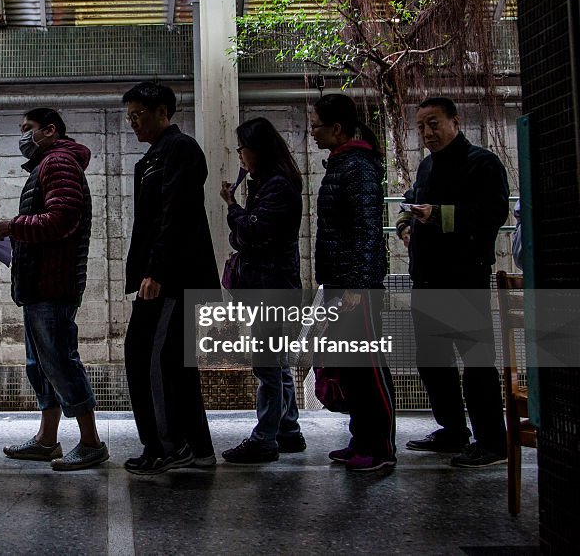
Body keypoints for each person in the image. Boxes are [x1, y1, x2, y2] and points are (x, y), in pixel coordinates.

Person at [0, 108, 108, 471]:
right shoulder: (48, 164)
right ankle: (47, 439)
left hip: (53, 283)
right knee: (40, 364)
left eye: (28, 129)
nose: (23, 137)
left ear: (51, 130)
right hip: (39, 283)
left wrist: (14, 226)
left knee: (60, 362)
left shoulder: (58, 163)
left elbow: (63, 217)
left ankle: (91, 442)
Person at [396, 96, 509, 468]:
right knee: (432, 361)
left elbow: (489, 214)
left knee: (476, 363)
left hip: (462, 277)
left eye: (434, 123)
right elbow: (412, 202)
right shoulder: (428, 166)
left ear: (454, 121)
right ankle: (453, 430)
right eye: (421, 126)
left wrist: (437, 215)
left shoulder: (482, 163)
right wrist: (405, 225)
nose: (427, 133)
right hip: (427, 278)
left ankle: (492, 441)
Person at [121, 81, 218, 475]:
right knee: (174, 364)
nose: (133, 124)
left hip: (174, 278)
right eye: (129, 118)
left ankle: (167, 446)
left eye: (139, 116)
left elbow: (175, 214)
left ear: (163, 111)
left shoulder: (180, 149)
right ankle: (198, 448)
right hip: (163, 276)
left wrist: (157, 271)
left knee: (150, 359)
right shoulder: (153, 158)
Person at [311, 93, 397, 472]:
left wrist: (356, 289)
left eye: (316, 125)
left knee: (368, 366)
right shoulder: (341, 164)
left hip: (355, 286)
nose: (312, 132)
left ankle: (380, 447)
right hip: (341, 281)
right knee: (351, 366)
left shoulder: (358, 167)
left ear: (337, 128)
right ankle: (361, 438)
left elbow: (366, 233)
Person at [218, 117, 306, 463]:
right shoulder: (267, 184)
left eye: (242, 148)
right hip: (272, 283)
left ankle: (265, 438)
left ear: (258, 149)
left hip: (270, 286)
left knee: (267, 367)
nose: (239, 155)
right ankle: (288, 431)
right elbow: (245, 235)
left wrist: (232, 207)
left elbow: (253, 234)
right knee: (278, 363)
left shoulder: (277, 187)